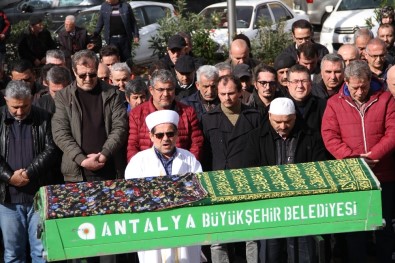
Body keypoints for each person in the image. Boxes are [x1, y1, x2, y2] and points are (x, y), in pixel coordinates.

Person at [322, 60, 395, 263]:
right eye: (355, 87)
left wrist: (372, 156)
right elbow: (330, 136)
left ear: (370, 80)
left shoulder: (386, 99)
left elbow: (392, 132)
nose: (360, 91)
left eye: (364, 86)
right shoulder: (334, 104)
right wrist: (353, 159)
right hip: (353, 176)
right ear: (346, 82)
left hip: (383, 174)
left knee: (384, 227)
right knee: (356, 229)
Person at [242, 97, 327, 263]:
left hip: (302, 209)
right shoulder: (256, 138)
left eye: (287, 121)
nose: (282, 126)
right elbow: (249, 170)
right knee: (270, 256)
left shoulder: (310, 137)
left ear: (295, 117)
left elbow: (319, 168)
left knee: (304, 256)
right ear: (269, 117)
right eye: (277, 122)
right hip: (270, 210)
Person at [125, 110, 201, 263]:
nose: (165, 139)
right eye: (160, 135)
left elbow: (199, 189)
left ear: (177, 135)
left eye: (170, 134)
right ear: (151, 136)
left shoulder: (189, 159)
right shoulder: (139, 161)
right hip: (153, 226)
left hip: (183, 225)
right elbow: (133, 194)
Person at [201, 74, 261, 263]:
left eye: (231, 93)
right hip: (219, 183)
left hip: (249, 182)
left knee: (252, 235)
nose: (227, 98)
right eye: (223, 94)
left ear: (241, 92)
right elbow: (206, 154)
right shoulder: (208, 119)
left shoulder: (255, 117)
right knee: (218, 238)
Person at [0, 80, 57, 263]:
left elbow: (51, 150)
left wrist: (28, 173)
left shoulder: (44, 117)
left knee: (41, 252)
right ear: (5, 100)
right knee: (13, 253)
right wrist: (10, 177)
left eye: (24, 106)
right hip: (8, 198)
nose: (19, 111)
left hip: (38, 196)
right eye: (14, 107)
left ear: (31, 99)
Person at [52, 49, 128, 184]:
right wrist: (82, 160)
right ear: (74, 72)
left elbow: (120, 127)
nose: (88, 79)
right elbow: (60, 132)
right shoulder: (63, 96)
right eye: (82, 75)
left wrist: (105, 153)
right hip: (77, 173)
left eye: (92, 75)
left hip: (110, 169)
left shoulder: (113, 93)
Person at [127, 69, 203, 162]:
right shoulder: (137, 113)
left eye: (169, 89)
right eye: (161, 90)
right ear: (151, 90)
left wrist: (188, 165)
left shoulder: (188, 112)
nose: (166, 94)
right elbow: (133, 145)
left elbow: (196, 143)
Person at [286, 64, 326, 132]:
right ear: (288, 84)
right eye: (295, 81)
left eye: (304, 81)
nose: (300, 86)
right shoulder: (279, 106)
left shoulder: (323, 106)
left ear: (310, 83)